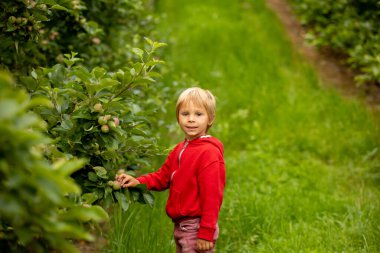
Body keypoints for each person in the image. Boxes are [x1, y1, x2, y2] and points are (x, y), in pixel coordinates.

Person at [116, 87, 226, 253]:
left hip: (196, 227)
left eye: (198, 114)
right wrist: (139, 181)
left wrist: (206, 232)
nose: (191, 119)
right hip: (181, 226)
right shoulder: (180, 149)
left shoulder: (209, 153)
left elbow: (212, 196)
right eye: (185, 114)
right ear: (178, 117)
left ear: (210, 118)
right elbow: (163, 176)